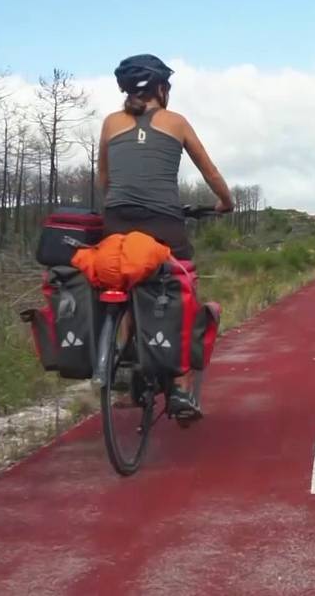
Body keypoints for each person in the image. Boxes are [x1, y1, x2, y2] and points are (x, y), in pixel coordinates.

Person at [98, 53, 234, 417]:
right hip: (163, 223)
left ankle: (126, 368)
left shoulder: (111, 123)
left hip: (117, 221)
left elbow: (106, 180)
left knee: (126, 278)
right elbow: (210, 172)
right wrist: (225, 202)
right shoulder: (176, 122)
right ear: (162, 88)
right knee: (182, 286)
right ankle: (180, 385)